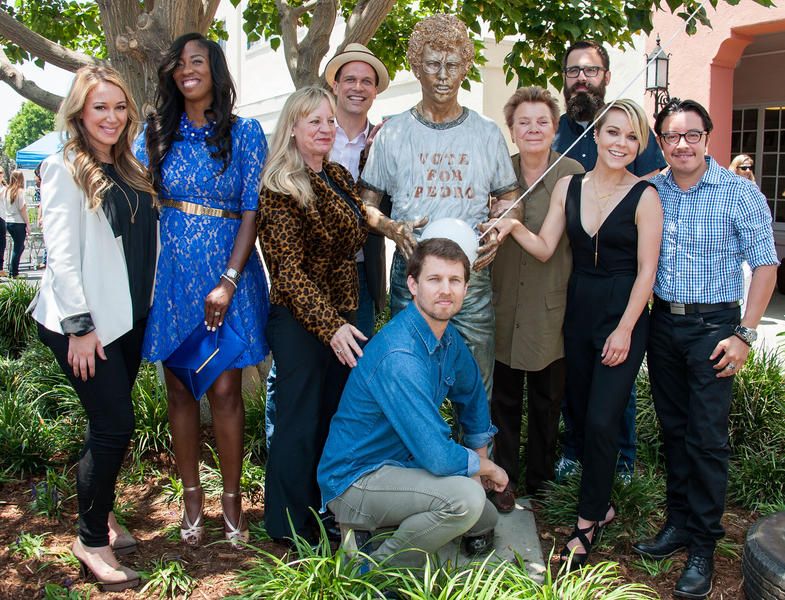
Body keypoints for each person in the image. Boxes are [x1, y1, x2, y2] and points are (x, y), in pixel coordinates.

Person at [490, 99, 663, 570]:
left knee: (605, 419)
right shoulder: (570, 185)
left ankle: (587, 524)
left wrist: (626, 329)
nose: (620, 144)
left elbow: (648, 270)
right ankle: (600, 501)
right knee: (584, 417)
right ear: (597, 137)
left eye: (631, 137)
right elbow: (545, 248)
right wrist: (511, 225)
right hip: (577, 310)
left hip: (622, 315)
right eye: (612, 133)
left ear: (639, 144)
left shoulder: (646, 196)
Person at [632, 99, 778, 600]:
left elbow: (765, 266)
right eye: (671, 137)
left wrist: (745, 333)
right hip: (664, 326)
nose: (682, 145)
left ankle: (703, 546)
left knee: (707, 439)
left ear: (708, 137)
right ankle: (677, 524)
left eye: (692, 135)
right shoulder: (652, 190)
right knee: (674, 431)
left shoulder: (740, 193)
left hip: (716, 327)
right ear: (662, 141)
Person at [138, 32, 270, 548]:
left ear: (215, 68)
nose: (187, 70)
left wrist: (230, 280)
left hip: (227, 276)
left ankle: (232, 502)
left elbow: (251, 209)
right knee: (178, 388)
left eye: (198, 61)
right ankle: (192, 499)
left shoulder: (245, 133)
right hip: (173, 279)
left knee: (224, 389)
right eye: (180, 64)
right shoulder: (155, 134)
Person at [30, 65, 158, 591]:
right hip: (82, 324)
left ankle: (99, 512)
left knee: (105, 425)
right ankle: (90, 539)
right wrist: (80, 327)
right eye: (99, 107)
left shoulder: (130, 165)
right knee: (114, 425)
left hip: (126, 319)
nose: (110, 117)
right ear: (80, 112)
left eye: (119, 107)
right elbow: (60, 256)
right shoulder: (66, 167)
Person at [318, 238, 508, 568]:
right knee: (465, 502)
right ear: (412, 284)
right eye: (434, 280)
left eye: (455, 281)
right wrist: (487, 468)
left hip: (404, 465)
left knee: (484, 516)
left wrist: (478, 458)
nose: (445, 290)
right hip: (358, 479)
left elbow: (473, 396)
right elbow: (436, 455)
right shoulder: (400, 354)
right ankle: (373, 571)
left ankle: (376, 531)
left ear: (466, 287)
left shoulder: (446, 337)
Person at [359, 13, 519, 399]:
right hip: (413, 269)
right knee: (410, 382)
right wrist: (392, 227)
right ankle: (414, 458)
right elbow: (365, 205)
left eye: (452, 65)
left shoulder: (486, 133)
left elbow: (512, 200)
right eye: (432, 64)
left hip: (471, 275)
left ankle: (479, 457)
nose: (443, 75)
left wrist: (500, 227)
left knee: (477, 387)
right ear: (416, 67)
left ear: (465, 66)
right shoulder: (394, 132)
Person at [263, 43, 390, 448]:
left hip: (353, 284)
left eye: (366, 81)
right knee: (293, 396)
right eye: (349, 78)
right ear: (335, 84)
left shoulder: (370, 148)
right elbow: (288, 268)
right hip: (304, 294)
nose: (358, 86)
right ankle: (284, 474)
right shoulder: (291, 171)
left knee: (343, 388)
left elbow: (364, 211)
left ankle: (329, 486)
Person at [552, 40, 667, 482]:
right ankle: (575, 450)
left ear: (605, 77)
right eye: (574, 70)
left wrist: (619, 193)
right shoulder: (558, 131)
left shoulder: (630, 128)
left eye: (591, 70)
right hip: (574, 273)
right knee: (576, 378)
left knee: (616, 384)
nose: (582, 77)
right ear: (565, 78)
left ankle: (621, 461)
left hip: (620, 266)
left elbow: (655, 175)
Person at [257, 86, 368, 545]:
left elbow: (359, 225)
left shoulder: (338, 175)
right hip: (302, 321)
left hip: (343, 314)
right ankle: (287, 527)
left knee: (332, 419)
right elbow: (288, 272)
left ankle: (323, 511)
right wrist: (331, 326)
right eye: (313, 122)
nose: (325, 129)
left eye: (328, 121)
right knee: (297, 424)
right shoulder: (280, 186)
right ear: (293, 128)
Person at [489, 87, 584, 511]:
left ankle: (542, 484)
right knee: (503, 403)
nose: (532, 129)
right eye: (523, 122)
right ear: (511, 129)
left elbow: (554, 245)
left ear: (555, 127)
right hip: (504, 303)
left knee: (546, 403)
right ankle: (503, 482)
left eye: (542, 121)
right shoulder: (498, 173)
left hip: (550, 306)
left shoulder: (572, 173)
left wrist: (512, 227)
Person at [1, 170, 31, 278]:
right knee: (19, 247)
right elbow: (22, 209)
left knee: (16, 246)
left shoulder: (6, 191)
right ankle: (14, 272)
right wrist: (27, 223)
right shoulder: (20, 191)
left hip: (8, 221)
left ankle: (12, 270)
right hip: (18, 222)